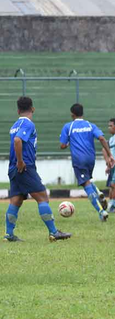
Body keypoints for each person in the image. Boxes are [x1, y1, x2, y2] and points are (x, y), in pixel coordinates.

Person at [4, 96, 71, 242]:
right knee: (42, 197)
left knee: (16, 200)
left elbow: (15, 139)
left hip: (13, 168)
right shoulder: (28, 124)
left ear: (18, 110)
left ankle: (9, 235)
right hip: (24, 167)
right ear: (32, 109)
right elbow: (17, 141)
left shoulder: (14, 125)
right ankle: (54, 232)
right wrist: (21, 161)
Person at [59, 103, 114, 222]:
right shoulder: (90, 125)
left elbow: (62, 145)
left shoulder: (69, 126)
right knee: (87, 179)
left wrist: (69, 142)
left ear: (72, 114)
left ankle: (101, 211)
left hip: (79, 159)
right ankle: (98, 192)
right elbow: (102, 138)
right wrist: (110, 155)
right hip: (91, 158)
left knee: (85, 184)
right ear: (82, 113)